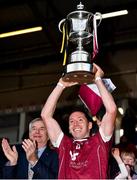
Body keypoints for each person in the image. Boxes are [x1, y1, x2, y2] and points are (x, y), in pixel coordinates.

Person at [41, 63, 117, 179]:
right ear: (69, 129)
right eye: (71, 121)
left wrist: (97, 79)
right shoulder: (64, 144)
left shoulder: (100, 141)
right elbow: (45, 115)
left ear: (90, 125)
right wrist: (61, 85)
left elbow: (111, 110)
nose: (75, 123)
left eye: (80, 120)